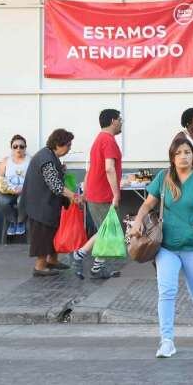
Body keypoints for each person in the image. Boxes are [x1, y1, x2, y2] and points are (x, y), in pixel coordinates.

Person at [128, 137, 193, 358]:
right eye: (179, 152)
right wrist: (138, 221)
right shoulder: (163, 177)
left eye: (187, 152)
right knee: (167, 291)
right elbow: (147, 204)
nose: (184, 156)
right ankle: (167, 340)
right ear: (172, 156)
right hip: (167, 247)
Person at [21, 129, 82, 277]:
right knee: (43, 235)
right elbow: (55, 185)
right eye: (68, 145)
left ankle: (52, 260)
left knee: (51, 233)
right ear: (57, 144)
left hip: (45, 204)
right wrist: (73, 196)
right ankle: (40, 267)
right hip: (39, 205)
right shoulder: (46, 159)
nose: (69, 148)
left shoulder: (49, 155)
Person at [72, 109, 124, 279]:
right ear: (112, 121)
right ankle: (79, 256)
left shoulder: (99, 139)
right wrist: (116, 194)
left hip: (95, 192)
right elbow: (109, 168)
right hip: (103, 194)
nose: (121, 122)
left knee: (106, 230)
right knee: (107, 231)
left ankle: (96, 267)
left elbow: (91, 169)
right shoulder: (108, 141)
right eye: (119, 119)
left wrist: (85, 192)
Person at [0, 134, 31, 236]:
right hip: (8, 192)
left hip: (25, 193)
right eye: (15, 146)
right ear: (11, 148)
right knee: (0, 201)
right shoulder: (6, 161)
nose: (18, 149)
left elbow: (35, 178)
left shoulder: (31, 160)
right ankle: (12, 221)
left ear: (25, 148)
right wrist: (9, 189)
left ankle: (20, 221)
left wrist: (23, 190)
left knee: (21, 200)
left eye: (21, 146)